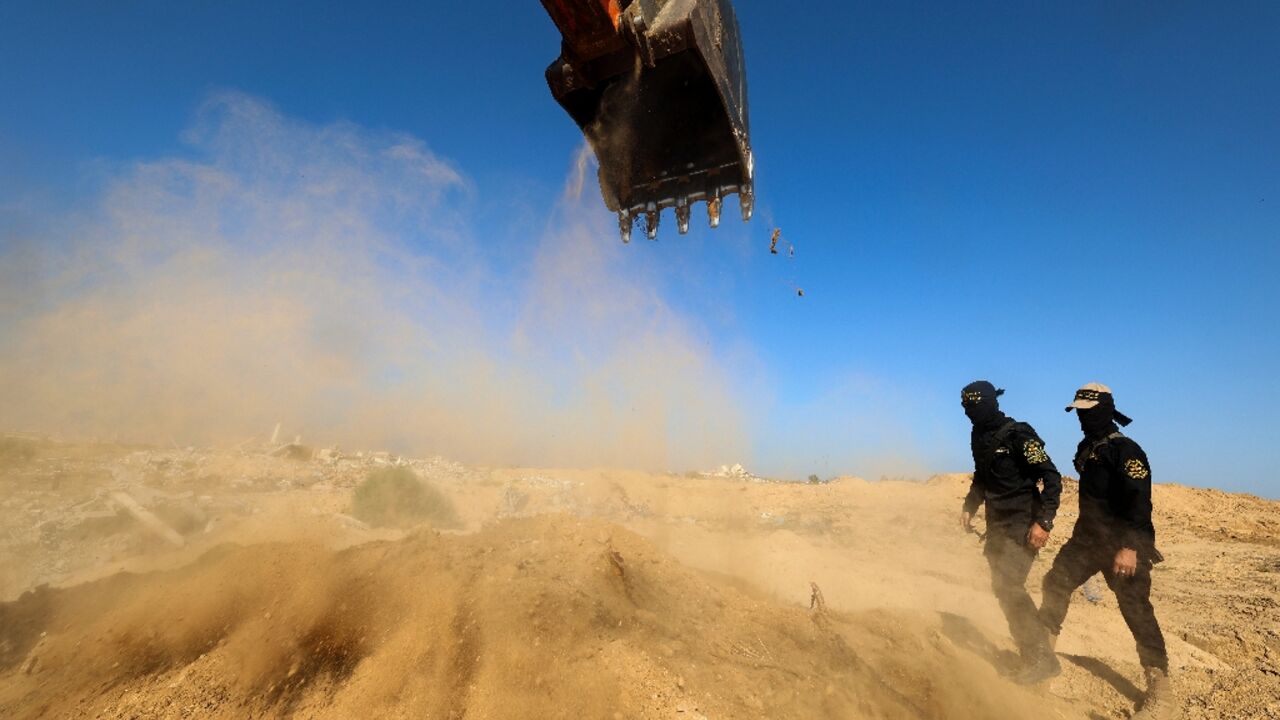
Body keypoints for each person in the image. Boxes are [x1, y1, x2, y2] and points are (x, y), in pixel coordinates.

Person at [1039, 383, 1173, 718]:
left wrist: (1130, 547)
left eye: (1088, 410)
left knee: (1135, 608)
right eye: (1079, 411)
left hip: (1122, 544)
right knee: (1055, 583)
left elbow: (1139, 502)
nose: (1082, 417)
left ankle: (1161, 690)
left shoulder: (1126, 450)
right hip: (1086, 541)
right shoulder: (1090, 446)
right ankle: (1040, 659)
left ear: (1105, 410)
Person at [959, 380, 1062, 684]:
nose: (970, 413)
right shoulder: (979, 435)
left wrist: (1043, 522)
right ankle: (1031, 654)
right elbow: (982, 475)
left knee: (1010, 585)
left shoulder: (1019, 435)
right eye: (966, 408)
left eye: (975, 406)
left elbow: (1051, 478)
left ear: (991, 403)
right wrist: (969, 506)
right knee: (1001, 587)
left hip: (1023, 522)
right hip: (996, 525)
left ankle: (1042, 659)